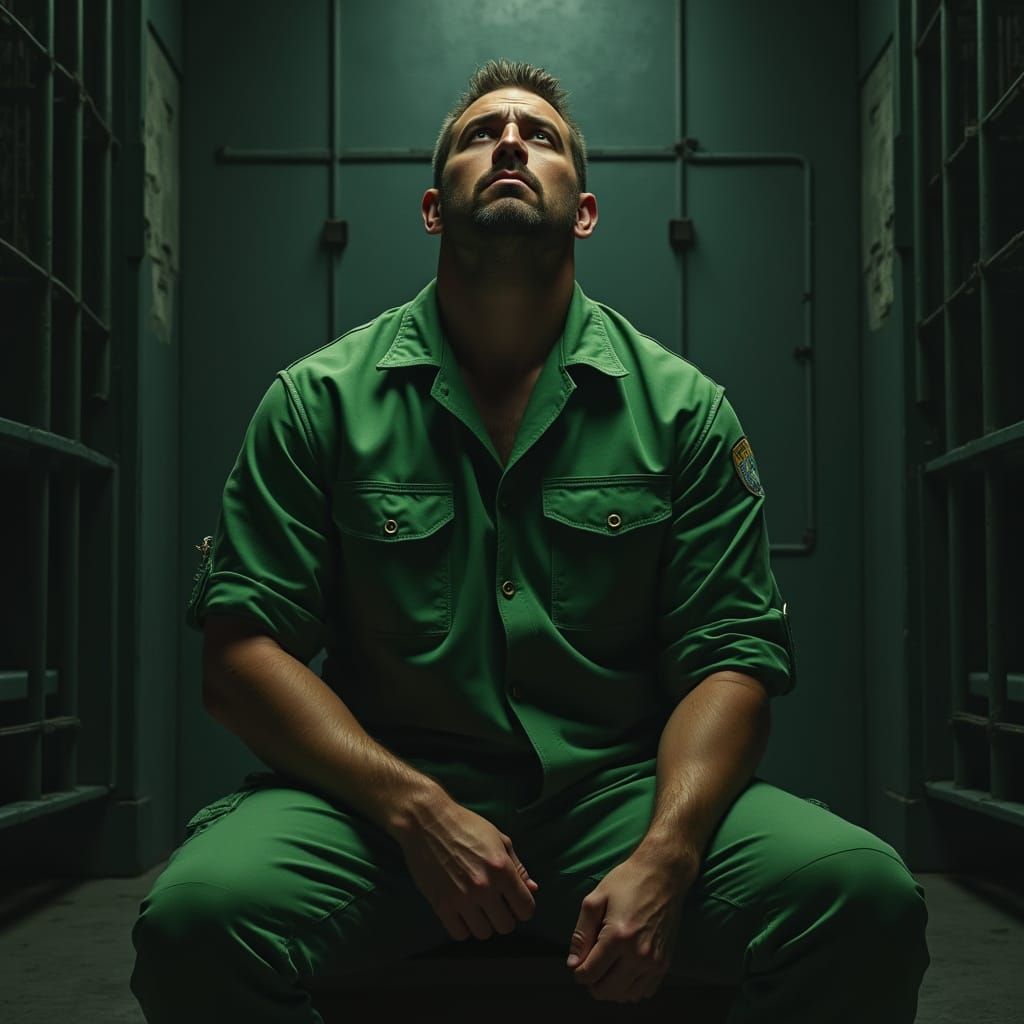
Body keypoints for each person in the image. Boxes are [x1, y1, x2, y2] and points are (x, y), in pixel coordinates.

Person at [130, 59, 929, 1022]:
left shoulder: (684, 412)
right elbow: (240, 655)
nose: (510, 141)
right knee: (194, 919)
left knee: (865, 898)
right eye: (482, 134)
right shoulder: (321, 402)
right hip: (378, 811)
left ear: (583, 212)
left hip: (616, 802)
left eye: (539, 135)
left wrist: (669, 851)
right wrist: (414, 811)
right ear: (434, 208)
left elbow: (731, 660)